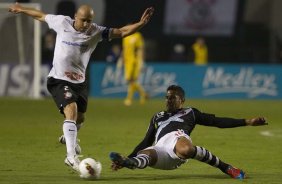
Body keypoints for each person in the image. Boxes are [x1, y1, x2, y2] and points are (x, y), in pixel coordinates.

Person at [9, 3, 154, 172]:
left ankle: (69, 136)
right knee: (71, 109)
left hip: (80, 82)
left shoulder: (96, 31)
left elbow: (121, 32)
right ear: (75, 17)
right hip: (58, 79)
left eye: (89, 21)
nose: (86, 24)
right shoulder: (61, 22)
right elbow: (40, 15)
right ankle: (71, 157)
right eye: (84, 20)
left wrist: (141, 24)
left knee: (80, 118)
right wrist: (22, 9)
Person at [109, 85, 267, 180]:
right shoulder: (157, 116)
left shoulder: (190, 112)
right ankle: (132, 163)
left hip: (178, 147)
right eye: (166, 97)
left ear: (182, 100)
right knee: (146, 152)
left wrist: (247, 121)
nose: (168, 100)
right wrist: (127, 159)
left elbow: (218, 122)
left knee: (185, 147)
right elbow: (146, 141)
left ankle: (228, 168)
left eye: (172, 98)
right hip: (160, 151)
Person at [118, 32, 147, 106]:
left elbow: (140, 48)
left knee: (131, 80)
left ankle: (129, 99)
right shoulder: (125, 36)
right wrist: (121, 59)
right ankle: (143, 94)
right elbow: (124, 49)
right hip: (127, 61)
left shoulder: (137, 35)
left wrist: (141, 61)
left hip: (134, 61)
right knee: (131, 81)